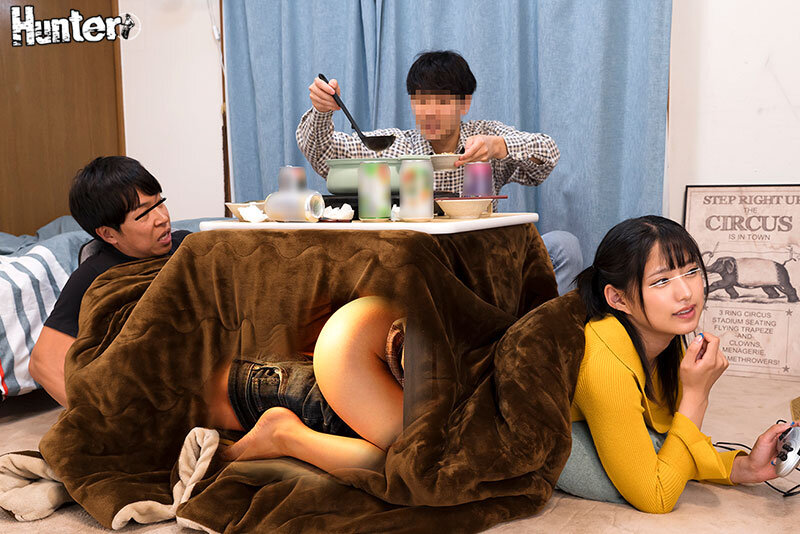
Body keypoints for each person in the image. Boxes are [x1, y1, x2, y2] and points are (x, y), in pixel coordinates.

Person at [556, 215, 795, 513]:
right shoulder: (604, 364)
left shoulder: (664, 336)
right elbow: (656, 498)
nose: (686, 293)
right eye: (661, 281)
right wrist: (696, 394)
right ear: (618, 299)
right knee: (627, 477)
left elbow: (673, 433)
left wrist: (743, 467)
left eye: (691, 271)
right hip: (557, 435)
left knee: (662, 445)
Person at [296, 50, 582, 294]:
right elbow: (324, 153)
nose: (429, 112)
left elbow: (548, 154)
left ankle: (536, 327)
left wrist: (499, 146)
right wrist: (322, 111)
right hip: (425, 271)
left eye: (442, 102)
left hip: (485, 265)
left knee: (564, 246)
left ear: (465, 103)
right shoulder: (397, 147)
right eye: (421, 101)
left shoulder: (484, 136)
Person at [29, 156, 190, 407]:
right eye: (144, 214)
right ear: (108, 234)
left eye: (160, 203)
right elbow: (42, 363)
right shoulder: (94, 275)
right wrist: (98, 417)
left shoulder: (187, 247)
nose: (162, 218)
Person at [204, 296, 406, 473]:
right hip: (280, 382)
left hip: (303, 378)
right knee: (398, 466)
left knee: (397, 466)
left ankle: (284, 435)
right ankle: (284, 435)